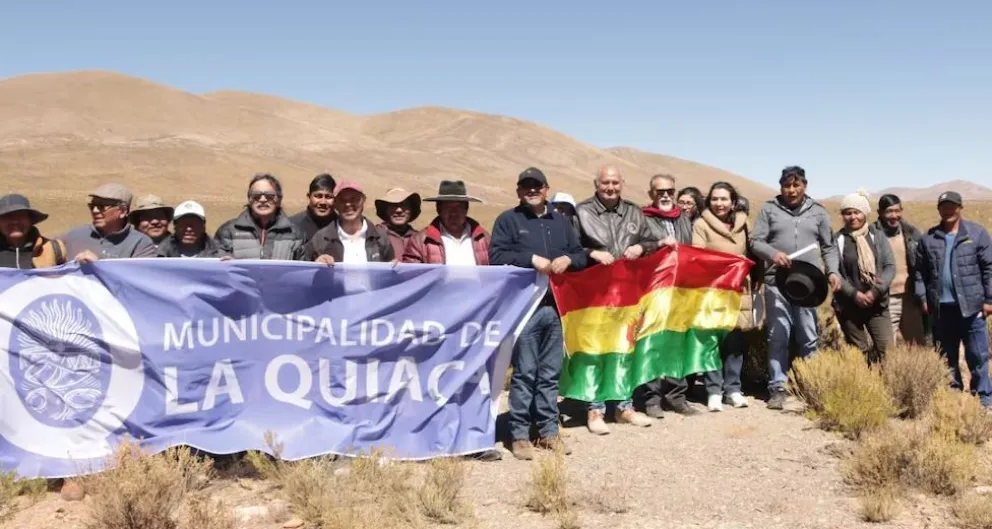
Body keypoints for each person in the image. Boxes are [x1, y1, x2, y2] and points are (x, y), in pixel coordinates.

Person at [490, 167, 589, 460]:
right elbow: (496, 256)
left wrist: (569, 258)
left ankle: (548, 431)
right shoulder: (509, 220)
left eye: (537, 186)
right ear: (519, 191)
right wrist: (530, 259)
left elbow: (581, 255)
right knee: (524, 373)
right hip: (524, 309)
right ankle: (519, 434)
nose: (532, 191)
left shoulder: (560, 222)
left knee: (549, 374)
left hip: (556, 307)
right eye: (526, 187)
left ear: (547, 189)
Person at [574, 165, 657, 434]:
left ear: (622, 183)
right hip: (595, 294)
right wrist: (591, 253)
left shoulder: (634, 211)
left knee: (625, 347)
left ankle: (624, 408)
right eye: (605, 183)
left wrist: (641, 247)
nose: (610, 187)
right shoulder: (582, 211)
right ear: (596, 184)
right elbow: (569, 248)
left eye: (615, 183)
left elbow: (652, 241)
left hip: (627, 294)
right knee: (596, 349)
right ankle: (595, 409)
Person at [750, 166, 840, 410]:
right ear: (781, 187)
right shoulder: (769, 209)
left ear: (805, 186)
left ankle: (809, 384)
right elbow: (755, 241)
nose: (791, 190)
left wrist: (832, 271)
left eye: (796, 185)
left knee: (809, 336)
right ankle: (777, 387)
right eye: (786, 186)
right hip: (776, 282)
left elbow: (829, 246)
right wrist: (773, 253)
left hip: (809, 285)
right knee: (778, 335)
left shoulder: (818, 212)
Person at [913, 191, 992, 408]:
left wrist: (989, 300)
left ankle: (983, 398)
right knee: (947, 357)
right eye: (944, 206)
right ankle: (952, 395)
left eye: (952, 206)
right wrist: (923, 297)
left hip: (972, 307)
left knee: (977, 356)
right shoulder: (929, 238)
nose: (948, 210)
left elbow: (989, 269)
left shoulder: (976, 234)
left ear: (960, 207)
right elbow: (919, 272)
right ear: (938, 209)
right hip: (941, 309)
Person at [691, 182, 754, 411]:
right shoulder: (701, 225)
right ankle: (713, 391)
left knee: (735, 341)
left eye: (724, 199)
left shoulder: (744, 224)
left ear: (733, 201)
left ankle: (733, 389)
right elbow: (697, 256)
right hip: (712, 291)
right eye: (715, 199)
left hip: (738, 290)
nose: (719, 203)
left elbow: (752, 250)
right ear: (709, 201)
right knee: (712, 341)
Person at [641, 174, 697, 417]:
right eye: (660, 191)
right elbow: (638, 246)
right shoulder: (642, 218)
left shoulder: (683, 218)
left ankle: (676, 395)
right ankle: (651, 398)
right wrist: (660, 244)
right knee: (651, 342)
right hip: (653, 287)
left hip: (680, 288)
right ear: (651, 194)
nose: (665, 195)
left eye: (669, 191)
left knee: (677, 342)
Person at [832, 191, 895, 365]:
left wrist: (875, 292)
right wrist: (854, 294)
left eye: (856, 212)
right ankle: (866, 387)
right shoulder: (837, 240)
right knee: (859, 352)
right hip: (849, 306)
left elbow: (890, 266)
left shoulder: (877, 236)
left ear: (864, 213)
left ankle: (887, 387)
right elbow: (833, 271)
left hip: (877, 305)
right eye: (848, 212)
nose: (853, 217)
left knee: (887, 351)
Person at [873, 194, 927, 345]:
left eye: (898, 211)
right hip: (885, 299)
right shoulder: (871, 235)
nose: (894, 215)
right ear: (880, 213)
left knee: (917, 346)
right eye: (889, 211)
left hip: (910, 297)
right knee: (886, 346)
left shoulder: (911, 233)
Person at [214, 173, 305, 260]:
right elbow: (215, 263)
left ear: (279, 200)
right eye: (256, 196)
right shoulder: (229, 231)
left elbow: (302, 269)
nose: (262, 199)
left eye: (269, 196)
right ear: (249, 199)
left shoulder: (294, 233)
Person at [61, 183, 157, 263]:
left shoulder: (141, 244)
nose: (95, 211)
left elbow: (138, 278)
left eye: (101, 206)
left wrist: (100, 264)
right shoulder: (73, 235)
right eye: (92, 206)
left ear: (123, 211)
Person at [304, 181, 394, 264]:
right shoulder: (320, 239)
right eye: (342, 200)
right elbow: (306, 275)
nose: (348, 204)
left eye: (354, 199)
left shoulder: (380, 237)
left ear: (363, 200)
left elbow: (390, 275)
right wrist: (317, 265)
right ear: (335, 204)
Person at [403, 181, 489, 265]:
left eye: (459, 208)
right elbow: (410, 274)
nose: (453, 213)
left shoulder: (483, 238)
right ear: (439, 210)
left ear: (466, 209)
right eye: (447, 208)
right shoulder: (421, 241)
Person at [0, 194, 68, 269]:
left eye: (21, 215)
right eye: (7, 216)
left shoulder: (53, 249)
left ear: (30, 220)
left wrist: (82, 262)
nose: (15, 221)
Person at [156, 200, 223, 258]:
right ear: (175, 226)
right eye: (183, 224)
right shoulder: (159, 254)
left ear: (203, 226)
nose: (189, 229)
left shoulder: (221, 254)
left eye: (195, 224)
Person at [375, 188, 422, 259]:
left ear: (410, 209)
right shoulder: (375, 236)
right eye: (394, 205)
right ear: (386, 210)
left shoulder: (420, 239)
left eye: (404, 205)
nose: (399, 210)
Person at [290, 173, 337, 244]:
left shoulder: (344, 227)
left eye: (328, 197)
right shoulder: (291, 226)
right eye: (318, 196)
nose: (323, 202)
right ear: (309, 197)